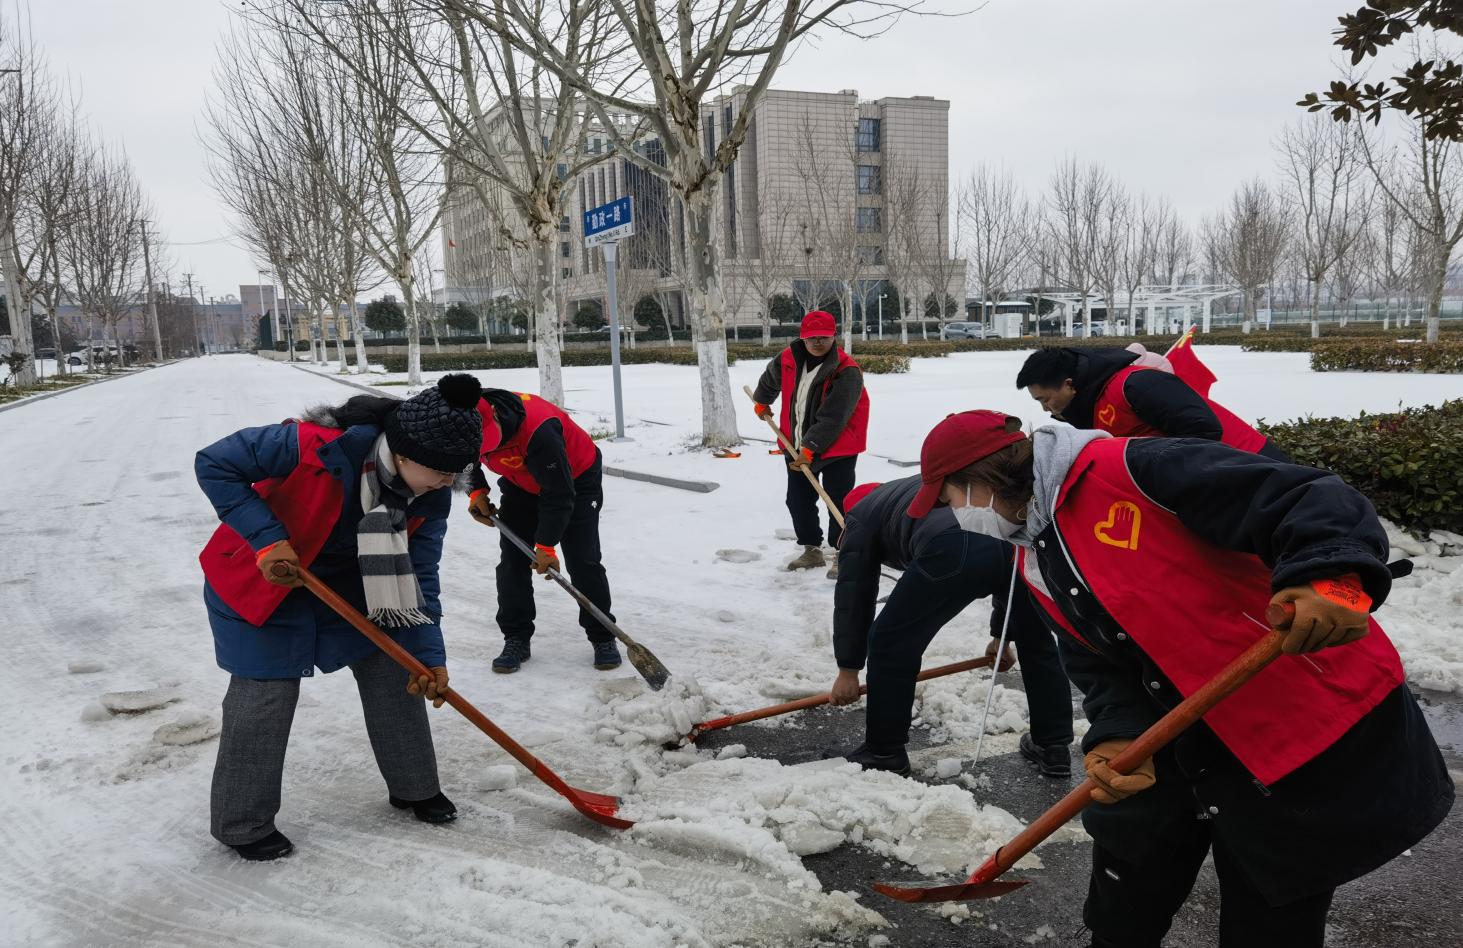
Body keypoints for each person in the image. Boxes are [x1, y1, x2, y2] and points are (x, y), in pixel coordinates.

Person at [907, 410, 1453, 948]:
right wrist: (1117, 731)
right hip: (1179, 725)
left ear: (981, 478)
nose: (956, 515)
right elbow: (1097, 664)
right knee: (1126, 879)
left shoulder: (1133, 469)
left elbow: (1307, 496)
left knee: (1269, 914)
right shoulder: (1033, 558)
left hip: (1286, 713)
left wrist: (1329, 574)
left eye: (951, 499)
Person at [196, 374, 486, 861]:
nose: (449, 483)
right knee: (266, 695)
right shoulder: (310, 446)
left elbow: (420, 575)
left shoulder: (432, 494)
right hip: (266, 578)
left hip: (355, 585)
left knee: (397, 669)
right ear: (405, 454)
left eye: (456, 473)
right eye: (441, 472)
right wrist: (267, 538)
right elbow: (214, 462)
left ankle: (415, 787)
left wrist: (429, 657)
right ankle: (242, 823)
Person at [827, 476, 1074, 777]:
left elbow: (854, 594)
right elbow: (1000, 571)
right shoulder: (903, 493)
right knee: (1036, 640)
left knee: (890, 642)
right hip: (1012, 541)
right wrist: (1003, 638)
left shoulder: (859, 516)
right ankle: (1052, 745)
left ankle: (883, 751)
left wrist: (848, 669)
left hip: (952, 545)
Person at [464, 387, 620, 673]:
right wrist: (476, 491)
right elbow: (461, 459)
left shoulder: (539, 430)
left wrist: (546, 545)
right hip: (521, 485)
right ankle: (516, 637)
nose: (485, 448)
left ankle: (603, 636)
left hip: (575, 482)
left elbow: (559, 493)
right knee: (512, 562)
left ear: (495, 416)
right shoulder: (459, 422)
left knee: (583, 561)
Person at [751, 309, 870, 577]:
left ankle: (842, 552)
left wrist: (811, 447)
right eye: (812, 337)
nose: (817, 342)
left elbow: (834, 417)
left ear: (833, 337)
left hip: (838, 447)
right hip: (795, 444)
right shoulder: (788, 359)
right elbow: (770, 379)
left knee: (837, 501)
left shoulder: (846, 370)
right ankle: (812, 549)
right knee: (798, 500)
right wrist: (762, 401)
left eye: (823, 337)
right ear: (802, 338)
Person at [1015, 345, 1289, 459]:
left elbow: (1204, 430)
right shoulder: (1091, 404)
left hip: (1252, 462)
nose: (1045, 408)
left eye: (1045, 399)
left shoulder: (1135, 384)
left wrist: (1147, 464)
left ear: (1068, 384)